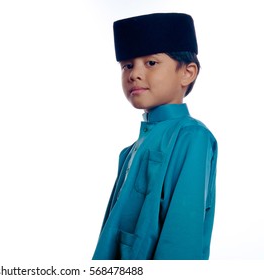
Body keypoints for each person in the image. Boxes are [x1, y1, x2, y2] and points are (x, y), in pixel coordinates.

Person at [92, 13, 218, 260]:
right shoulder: (130, 151)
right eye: (127, 65)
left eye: (151, 63)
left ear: (187, 73)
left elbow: (182, 232)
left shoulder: (192, 136)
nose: (134, 74)